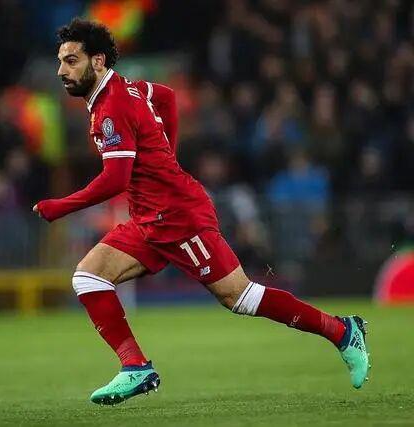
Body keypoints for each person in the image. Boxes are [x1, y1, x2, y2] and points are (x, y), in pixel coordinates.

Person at [33, 18, 370, 405]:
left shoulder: (112, 107)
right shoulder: (127, 88)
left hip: (179, 217)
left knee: (240, 297)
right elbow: (166, 97)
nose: (61, 71)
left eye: (71, 61)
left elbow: (115, 179)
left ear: (97, 61)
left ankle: (343, 332)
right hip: (149, 218)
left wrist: (60, 206)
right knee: (89, 277)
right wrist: (167, 158)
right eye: (60, 61)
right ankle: (135, 367)